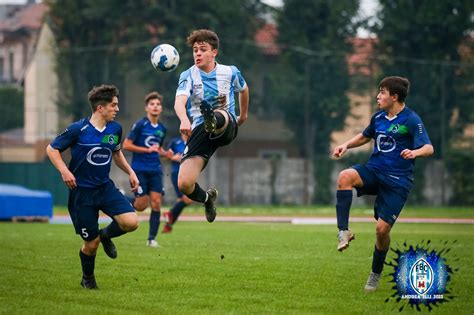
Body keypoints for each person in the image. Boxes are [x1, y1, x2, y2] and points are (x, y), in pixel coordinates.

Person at [332, 76, 434, 292]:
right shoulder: (378, 117)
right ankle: (343, 231)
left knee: (381, 231)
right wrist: (345, 145)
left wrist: (414, 152)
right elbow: (365, 136)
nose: (378, 96)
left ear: (394, 97)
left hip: (398, 181)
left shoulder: (411, 120)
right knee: (344, 177)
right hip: (375, 171)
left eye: (383, 92)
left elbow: (428, 148)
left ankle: (375, 274)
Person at [46, 84, 140, 289]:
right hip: (82, 195)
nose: (117, 109)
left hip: (105, 188)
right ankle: (87, 278)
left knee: (131, 222)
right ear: (100, 108)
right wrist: (65, 171)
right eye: (113, 105)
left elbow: (116, 152)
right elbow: (51, 149)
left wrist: (131, 172)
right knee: (91, 245)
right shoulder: (77, 130)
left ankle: (105, 236)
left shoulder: (115, 129)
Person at [174, 29, 249, 221]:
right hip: (200, 130)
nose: (197, 53)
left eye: (202, 49)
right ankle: (208, 199)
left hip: (227, 124)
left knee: (219, 114)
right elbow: (179, 101)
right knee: (184, 183)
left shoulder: (230, 71)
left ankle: (214, 120)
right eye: (195, 50)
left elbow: (244, 89)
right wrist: (184, 119)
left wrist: (243, 115)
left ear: (214, 52)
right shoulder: (188, 75)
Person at [123, 91, 172, 247]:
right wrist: (147, 150)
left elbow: (157, 149)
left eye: (158, 104)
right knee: (141, 205)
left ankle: (151, 239)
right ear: (146, 108)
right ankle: (119, 198)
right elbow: (126, 145)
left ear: (161, 108)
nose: (155, 107)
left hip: (155, 169)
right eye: (152, 104)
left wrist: (166, 154)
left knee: (156, 203)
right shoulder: (140, 125)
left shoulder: (162, 128)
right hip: (139, 169)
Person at [162, 133, 192, 233]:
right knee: (187, 199)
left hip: (189, 173)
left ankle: (168, 225)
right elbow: (165, 156)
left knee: (181, 200)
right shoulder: (175, 142)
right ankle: (169, 214)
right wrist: (173, 158)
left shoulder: (193, 141)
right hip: (177, 173)